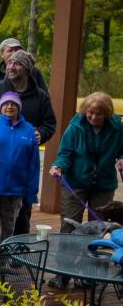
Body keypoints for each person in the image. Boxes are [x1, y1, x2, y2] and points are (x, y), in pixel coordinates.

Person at [0, 49, 54, 237]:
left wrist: (41, 133)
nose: (11, 66)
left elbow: (50, 123)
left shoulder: (40, 96)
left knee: (18, 219)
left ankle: (14, 258)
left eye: (17, 64)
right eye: (9, 63)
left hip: (20, 174)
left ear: (28, 69)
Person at [50, 92, 123, 232]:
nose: (94, 117)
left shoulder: (118, 129)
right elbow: (65, 154)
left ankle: (94, 252)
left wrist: (121, 159)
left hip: (104, 185)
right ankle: (66, 252)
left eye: (99, 114)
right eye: (90, 113)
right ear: (85, 111)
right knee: (69, 225)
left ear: (107, 114)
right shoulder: (75, 127)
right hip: (75, 182)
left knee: (100, 226)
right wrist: (58, 166)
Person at [0, 92, 41, 248]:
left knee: (9, 228)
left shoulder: (29, 130)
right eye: (6, 104)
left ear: (19, 108)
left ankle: (3, 258)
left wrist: (31, 191)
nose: (9, 107)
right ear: (0, 107)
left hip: (15, 189)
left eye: (13, 104)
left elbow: (34, 163)